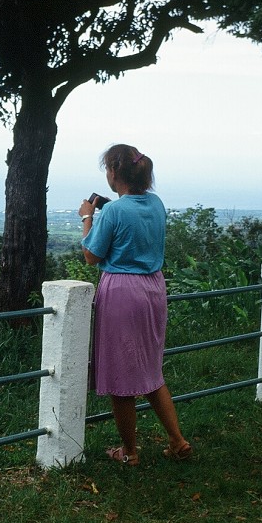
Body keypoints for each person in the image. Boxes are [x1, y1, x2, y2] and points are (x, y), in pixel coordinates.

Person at [79, 143, 192, 466]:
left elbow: (91, 255)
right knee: (150, 370)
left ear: (115, 172)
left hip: (122, 292)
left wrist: (88, 217)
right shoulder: (156, 204)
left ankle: (129, 452)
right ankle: (177, 439)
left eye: (107, 169)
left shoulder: (114, 211)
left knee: (120, 377)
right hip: (153, 289)